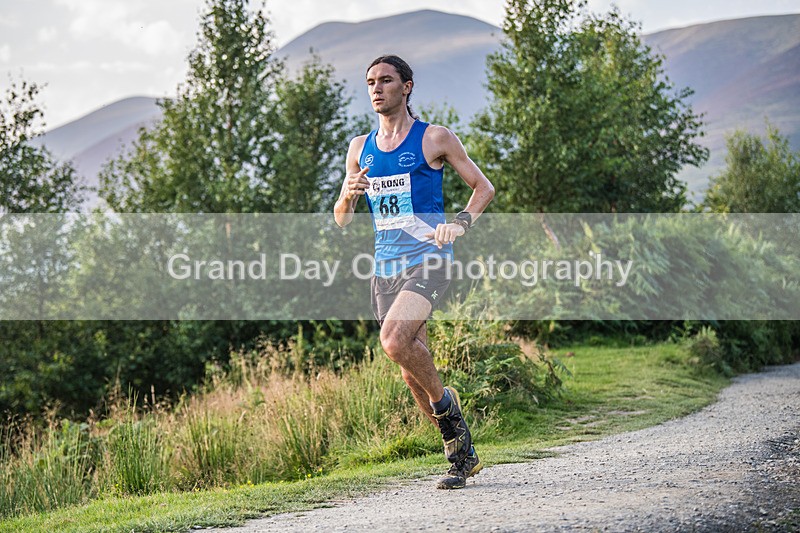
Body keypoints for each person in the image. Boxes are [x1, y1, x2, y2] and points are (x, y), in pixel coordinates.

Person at [333, 55, 495, 489]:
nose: (376, 88)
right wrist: (347, 196)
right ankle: (462, 454)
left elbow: (484, 188)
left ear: (406, 87)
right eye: (370, 82)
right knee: (409, 368)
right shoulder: (358, 148)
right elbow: (342, 220)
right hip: (384, 268)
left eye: (386, 80)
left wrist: (459, 222)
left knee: (393, 340)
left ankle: (450, 414)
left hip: (430, 259)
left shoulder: (434, 138)